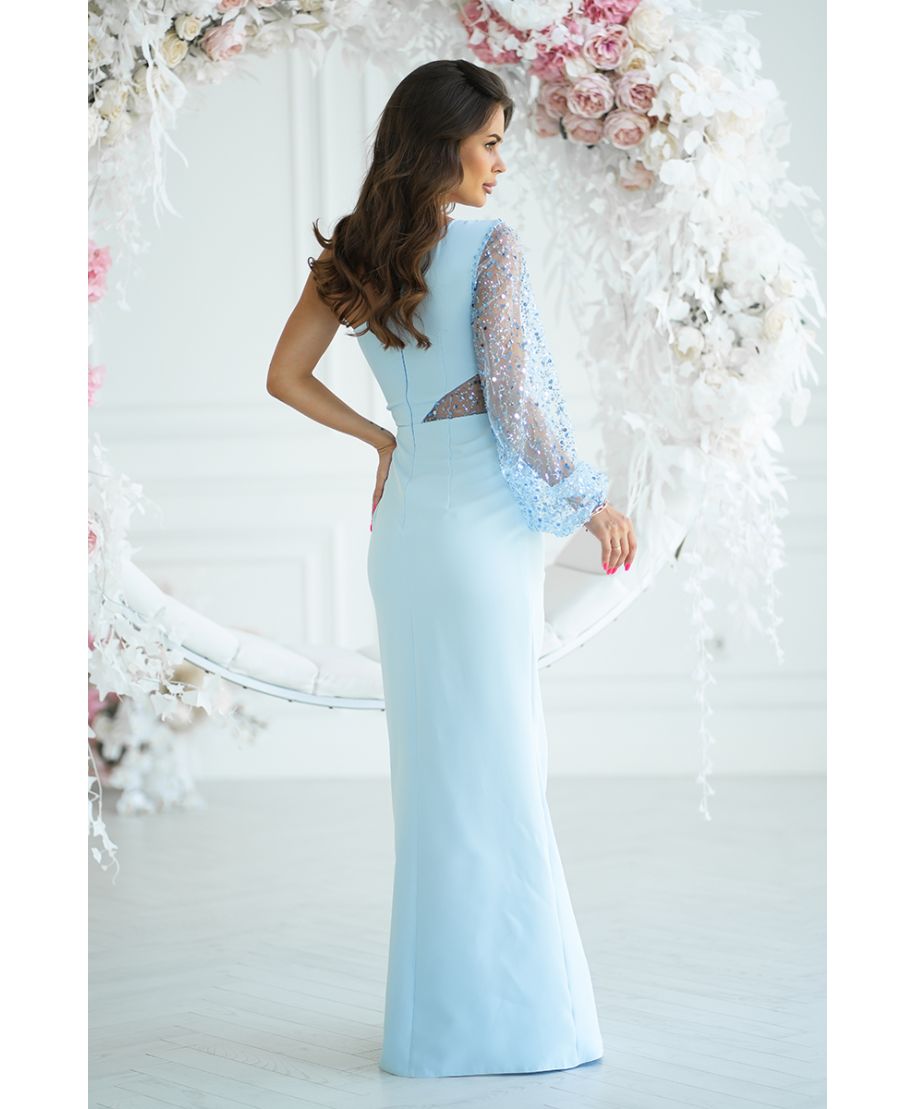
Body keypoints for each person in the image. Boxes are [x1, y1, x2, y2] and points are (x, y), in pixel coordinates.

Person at [267, 58, 636, 1079]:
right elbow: (514, 400)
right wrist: (589, 499)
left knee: (437, 783)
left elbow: (285, 375)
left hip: (409, 535)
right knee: (504, 771)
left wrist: (385, 440)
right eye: (489, 144)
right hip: (479, 538)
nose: (499, 165)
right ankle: (524, 1027)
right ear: (443, 145)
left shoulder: (354, 250)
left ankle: (433, 1030)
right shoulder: (490, 244)